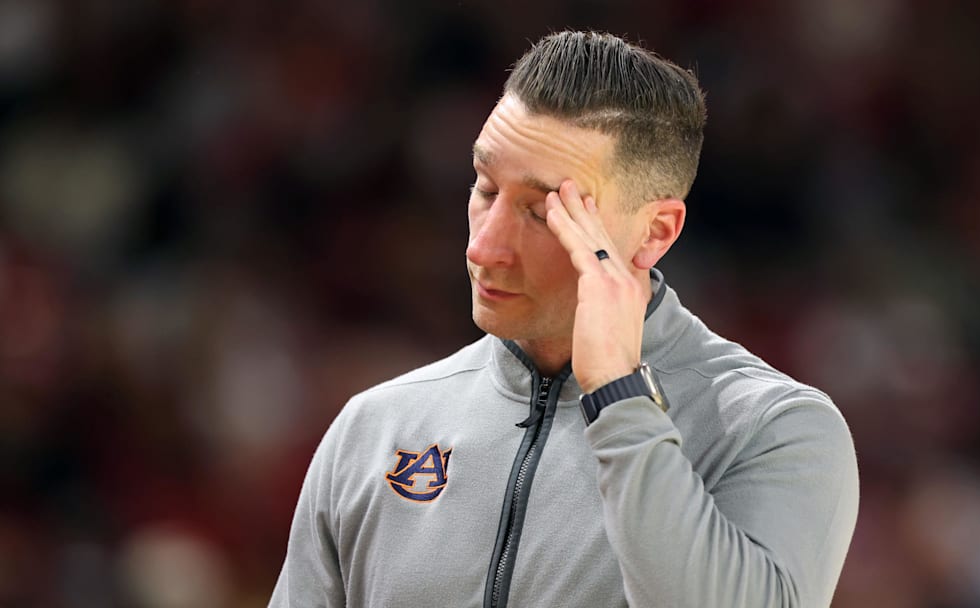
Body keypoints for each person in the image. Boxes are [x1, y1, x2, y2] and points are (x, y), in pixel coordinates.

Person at [269, 30, 858, 608]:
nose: (483, 248)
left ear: (655, 232)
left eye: (542, 211)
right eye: (484, 188)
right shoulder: (375, 428)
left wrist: (620, 399)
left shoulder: (775, 430)